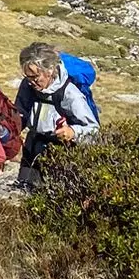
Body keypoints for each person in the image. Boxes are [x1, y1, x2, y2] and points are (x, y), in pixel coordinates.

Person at [14, 42, 98, 186]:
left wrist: (72, 132)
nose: (31, 82)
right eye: (27, 76)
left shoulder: (70, 94)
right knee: (24, 190)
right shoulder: (27, 85)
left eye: (35, 77)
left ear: (50, 70)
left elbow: (93, 131)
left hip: (61, 152)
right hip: (32, 146)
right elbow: (19, 114)